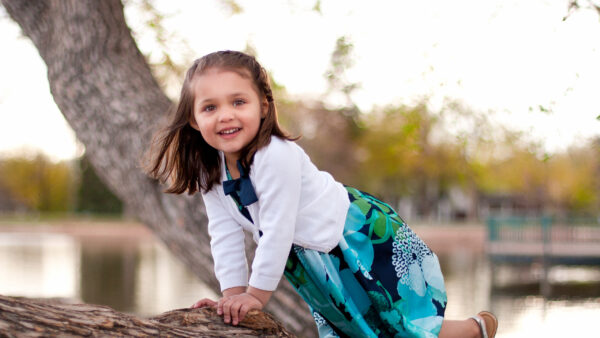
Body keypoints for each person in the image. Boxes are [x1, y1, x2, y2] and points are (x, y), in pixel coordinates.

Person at [147, 50, 498, 338]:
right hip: (312, 256)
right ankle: (475, 332)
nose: (225, 115)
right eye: (210, 107)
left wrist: (255, 295)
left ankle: (473, 330)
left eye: (238, 102)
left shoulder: (275, 155)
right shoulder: (212, 172)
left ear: (264, 106)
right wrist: (232, 296)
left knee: (397, 327)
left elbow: (277, 229)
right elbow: (223, 235)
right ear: (193, 119)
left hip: (353, 236)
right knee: (365, 332)